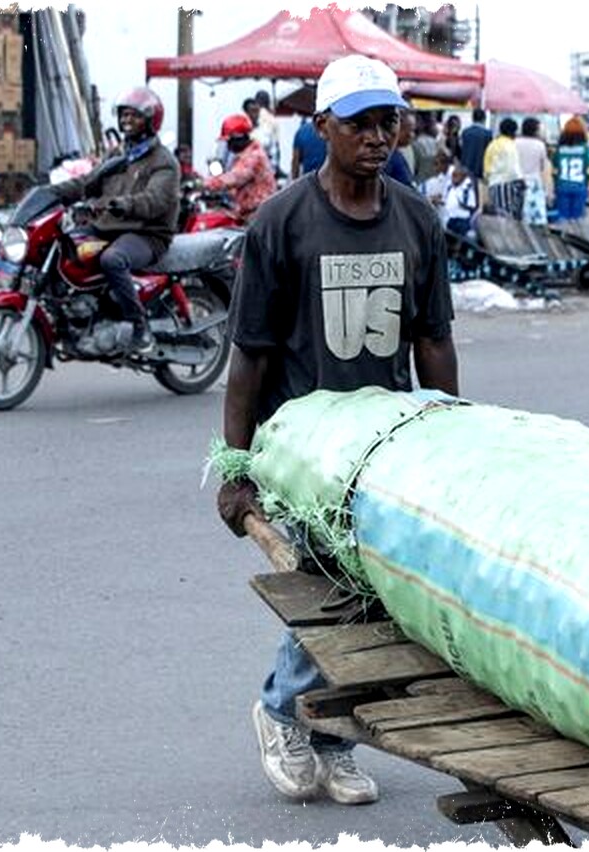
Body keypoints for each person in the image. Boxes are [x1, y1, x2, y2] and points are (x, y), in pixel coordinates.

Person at [217, 54, 459, 807]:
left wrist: (452, 439)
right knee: (328, 591)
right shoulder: (283, 222)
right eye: (358, 121)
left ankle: (335, 737)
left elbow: (433, 340)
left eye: (388, 120)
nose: (376, 135)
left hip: (385, 445)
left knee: (379, 594)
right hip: (303, 447)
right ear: (323, 127)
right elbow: (252, 351)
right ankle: (284, 712)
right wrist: (235, 464)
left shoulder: (417, 219)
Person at [53, 87, 179, 352]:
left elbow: (154, 200)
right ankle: (78, 315)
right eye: (124, 115)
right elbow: (89, 182)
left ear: (150, 120)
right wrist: (53, 192)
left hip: (148, 233)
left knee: (113, 259)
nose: (126, 121)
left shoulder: (164, 161)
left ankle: (140, 328)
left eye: (133, 115)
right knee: (64, 246)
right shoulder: (118, 156)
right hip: (112, 228)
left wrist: (123, 205)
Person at [205, 113, 276, 223]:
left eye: (229, 141)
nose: (228, 146)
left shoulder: (253, 156)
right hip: (247, 212)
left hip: (257, 215)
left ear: (239, 138)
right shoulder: (245, 155)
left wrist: (203, 184)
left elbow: (234, 178)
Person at [553, 117, 589, 221]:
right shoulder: (586, 149)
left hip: (562, 186)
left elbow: (554, 171)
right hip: (579, 186)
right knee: (577, 219)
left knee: (562, 217)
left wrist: (554, 184)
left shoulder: (559, 149)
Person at [483, 117, 524, 219]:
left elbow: (486, 168)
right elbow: (513, 169)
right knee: (507, 217)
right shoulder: (509, 145)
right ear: (513, 132)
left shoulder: (492, 144)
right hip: (506, 185)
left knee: (498, 215)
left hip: (493, 184)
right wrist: (521, 181)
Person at [515, 117, 552, 226]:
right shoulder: (539, 145)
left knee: (520, 213)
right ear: (535, 130)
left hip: (518, 180)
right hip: (535, 182)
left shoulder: (516, 143)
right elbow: (543, 167)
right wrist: (548, 189)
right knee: (536, 216)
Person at [441, 163, 478, 237]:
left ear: (463, 177)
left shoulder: (467, 188)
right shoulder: (450, 187)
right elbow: (445, 200)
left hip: (462, 219)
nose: (453, 178)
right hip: (450, 218)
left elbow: (472, 206)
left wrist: (461, 203)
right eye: (452, 175)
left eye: (456, 175)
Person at [384, 112, 418, 187]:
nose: (411, 135)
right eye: (408, 130)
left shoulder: (402, 153)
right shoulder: (387, 157)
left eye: (413, 130)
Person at [459, 108, 492, 181]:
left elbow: (461, 148)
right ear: (484, 119)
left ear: (472, 118)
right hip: (480, 170)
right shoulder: (488, 134)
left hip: (465, 169)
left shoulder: (465, 132)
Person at [412, 112, 443, 184]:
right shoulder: (436, 143)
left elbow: (414, 168)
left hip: (420, 183)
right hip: (434, 182)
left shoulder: (415, 144)